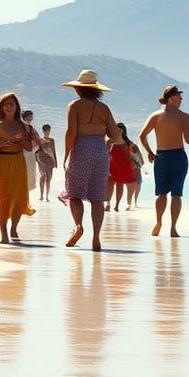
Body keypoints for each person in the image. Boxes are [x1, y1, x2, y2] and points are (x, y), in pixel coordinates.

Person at [61, 69, 122, 251]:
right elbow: (117, 135)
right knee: (97, 197)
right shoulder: (104, 109)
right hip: (100, 152)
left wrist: (66, 154)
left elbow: (71, 132)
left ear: (79, 89)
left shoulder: (75, 106)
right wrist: (106, 142)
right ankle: (96, 237)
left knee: (74, 193)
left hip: (81, 148)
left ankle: (78, 225)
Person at [138, 85, 189, 237]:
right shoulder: (184, 116)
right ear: (172, 98)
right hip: (178, 157)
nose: (181, 99)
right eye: (179, 96)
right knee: (176, 194)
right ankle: (173, 228)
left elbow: (141, 136)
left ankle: (159, 222)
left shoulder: (156, 116)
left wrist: (150, 153)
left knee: (161, 194)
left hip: (161, 158)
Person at [0, 92, 36, 244]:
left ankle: (14, 228)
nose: (9, 107)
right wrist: (2, 143)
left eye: (12, 104)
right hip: (2, 162)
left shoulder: (23, 126)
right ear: (1, 107)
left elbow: (30, 147)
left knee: (19, 197)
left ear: (17, 107)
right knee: (2, 198)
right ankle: (4, 233)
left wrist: (21, 141)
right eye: (6, 104)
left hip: (19, 161)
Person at [105, 122, 136, 211]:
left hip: (123, 167)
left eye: (119, 128)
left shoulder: (128, 143)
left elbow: (133, 155)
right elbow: (105, 153)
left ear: (123, 130)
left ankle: (117, 205)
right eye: (116, 128)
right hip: (112, 165)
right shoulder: (110, 141)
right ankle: (108, 204)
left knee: (120, 185)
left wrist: (136, 165)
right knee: (109, 185)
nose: (117, 130)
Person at [36, 123, 57, 201]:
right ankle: (41, 196)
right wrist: (37, 160)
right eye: (45, 130)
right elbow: (36, 151)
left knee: (49, 178)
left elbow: (53, 151)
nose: (47, 132)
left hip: (50, 160)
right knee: (42, 177)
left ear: (50, 131)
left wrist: (55, 162)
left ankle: (47, 196)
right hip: (42, 160)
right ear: (43, 131)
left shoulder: (52, 140)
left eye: (48, 131)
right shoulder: (40, 140)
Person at [127, 141, 145, 208]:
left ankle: (132, 203)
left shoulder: (133, 147)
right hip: (133, 170)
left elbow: (142, 162)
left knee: (135, 186)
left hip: (135, 170)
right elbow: (142, 162)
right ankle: (131, 203)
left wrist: (136, 164)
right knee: (135, 186)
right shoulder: (130, 148)